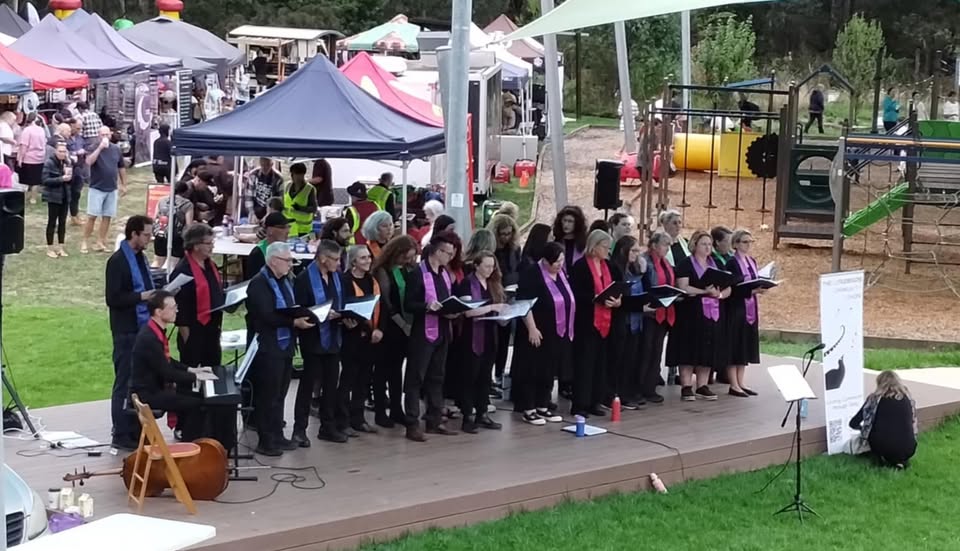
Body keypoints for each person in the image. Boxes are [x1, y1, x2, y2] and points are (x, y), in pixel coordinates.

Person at [245, 242, 315, 456]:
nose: (290, 265)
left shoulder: (284, 281)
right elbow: (266, 315)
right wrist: (294, 323)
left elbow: (288, 307)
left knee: (280, 393)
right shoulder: (259, 283)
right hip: (268, 347)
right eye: (287, 261)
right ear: (274, 260)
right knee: (268, 394)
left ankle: (277, 435)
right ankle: (265, 440)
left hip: (284, 346)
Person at [130, 291, 217, 440]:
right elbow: (167, 373)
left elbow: (167, 360)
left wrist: (192, 370)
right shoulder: (149, 338)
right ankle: (192, 446)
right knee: (198, 404)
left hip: (154, 388)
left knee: (194, 395)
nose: (176, 310)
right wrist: (197, 377)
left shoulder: (154, 331)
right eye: (172, 307)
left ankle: (189, 437)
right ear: (158, 312)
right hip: (149, 394)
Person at [403, 231, 460, 441]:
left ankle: (434, 419)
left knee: (437, 377)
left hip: (443, 330)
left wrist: (453, 309)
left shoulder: (444, 273)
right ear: (437, 252)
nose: (450, 257)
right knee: (415, 378)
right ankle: (412, 423)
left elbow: (447, 300)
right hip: (423, 332)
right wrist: (427, 306)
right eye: (448, 253)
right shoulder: (418, 273)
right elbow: (408, 304)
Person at [105, 215, 155, 449]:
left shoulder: (141, 258)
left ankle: (136, 429)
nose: (149, 238)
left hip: (142, 328)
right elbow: (112, 298)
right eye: (146, 234)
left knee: (139, 382)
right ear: (133, 234)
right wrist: (141, 297)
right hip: (126, 329)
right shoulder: (118, 261)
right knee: (124, 381)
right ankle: (121, 432)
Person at [293, 239, 347, 445]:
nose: (338, 263)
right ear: (322, 259)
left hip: (334, 338)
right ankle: (299, 429)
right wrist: (321, 314)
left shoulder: (338, 277)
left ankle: (328, 426)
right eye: (334, 259)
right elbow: (299, 309)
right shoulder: (304, 279)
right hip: (313, 338)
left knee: (331, 384)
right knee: (308, 385)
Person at [513, 242, 573, 425]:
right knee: (533, 369)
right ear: (545, 260)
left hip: (557, 331)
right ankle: (529, 408)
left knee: (549, 369)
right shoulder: (533, 273)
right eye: (556, 261)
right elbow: (524, 301)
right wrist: (531, 328)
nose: (559, 264)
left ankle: (543, 404)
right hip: (537, 330)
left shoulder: (561, 273)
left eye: (562, 260)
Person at [669, 230, 731, 401]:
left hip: (713, 313)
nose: (707, 247)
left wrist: (718, 295)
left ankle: (702, 385)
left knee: (708, 348)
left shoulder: (716, 263)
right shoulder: (686, 264)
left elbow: (729, 286)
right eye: (703, 244)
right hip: (691, 313)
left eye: (710, 244)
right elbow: (683, 286)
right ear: (694, 245)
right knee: (689, 348)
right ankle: (686, 386)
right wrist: (704, 291)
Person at [569, 230, 622, 417]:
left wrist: (617, 300)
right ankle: (580, 404)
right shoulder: (581, 266)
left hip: (607, 322)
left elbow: (619, 287)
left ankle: (595, 401)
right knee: (585, 363)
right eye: (605, 247)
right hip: (586, 321)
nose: (608, 251)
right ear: (594, 246)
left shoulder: (610, 266)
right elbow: (575, 293)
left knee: (601, 362)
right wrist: (596, 298)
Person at [453, 251, 507, 433]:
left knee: (485, 376)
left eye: (492, 266)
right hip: (471, 336)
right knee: (470, 376)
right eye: (486, 266)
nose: (490, 270)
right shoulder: (467, 283)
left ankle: (482, 413)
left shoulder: (493, 284)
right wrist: (492, 307)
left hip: (490, 335)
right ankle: (468, 415)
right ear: (476, 265)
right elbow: (467, 311)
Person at [371, 235, 418, 428]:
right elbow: (386, 302)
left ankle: (397, 409)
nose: (407, 261)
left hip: (405, 328)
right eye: (405, 257)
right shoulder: (382, 272)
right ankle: (380, 411)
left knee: (397, 371)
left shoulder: (408, 270)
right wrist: (402, 324)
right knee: (382, 370)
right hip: (389, 326)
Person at [339, 245, 382, 436]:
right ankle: (342, 420)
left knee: (363, 380)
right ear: (354, 261)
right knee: (348, 379)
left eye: (368, 257)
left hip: (370, 338)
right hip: (352, 337)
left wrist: (379, 329)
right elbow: (345, 307)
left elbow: (382, 306)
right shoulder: (344, 281)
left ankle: (359, 418)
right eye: (363, 258)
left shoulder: (372, 280)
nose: (368, 261)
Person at [610, 235, 654, 408]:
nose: (637, 254)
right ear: (623, 250)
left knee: (632, 359)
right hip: (621, 320)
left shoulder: (636, 269)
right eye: (634, 250)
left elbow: (645, 290)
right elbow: (618, 298)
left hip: (636, 321)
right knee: (619, 360)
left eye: (638, 250)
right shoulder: (616, 269)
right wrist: (639, 307)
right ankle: (617, 394)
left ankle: (629, 391)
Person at [849, 371, 918, 469]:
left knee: (876, 436)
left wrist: (862, 429)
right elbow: (913, 422)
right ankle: (899, 461)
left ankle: (883, 459)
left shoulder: (874, 399)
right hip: (909, 447)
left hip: (881, 445)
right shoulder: (908, 399)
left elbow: (853, 422)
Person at [725, 229, 764, 397]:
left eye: (750, 242)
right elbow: (732, 287)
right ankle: (733, 384)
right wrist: (752, 291)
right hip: (736, 307)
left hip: (750, 307)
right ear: (735, 244)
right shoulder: (732, 263)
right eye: (744, 242)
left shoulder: (751, 261)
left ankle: (741, 382)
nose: (748, 245)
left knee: (744, 344)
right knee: (734, 344)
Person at [639, 231, 675, 404]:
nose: (667, 248)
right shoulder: (644, 261)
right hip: (648, 312)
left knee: (656, 351)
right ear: (654, 245)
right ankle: (639, 387)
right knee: (645, 351)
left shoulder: (666, 262)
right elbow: (644, 285)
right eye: (664, 244)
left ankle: (650, 387)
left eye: (669, 245)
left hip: (663, 312)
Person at [488, 214, 521, 391]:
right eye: (502, 234)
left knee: (505, 338)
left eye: (509, 234)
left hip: (510, 294)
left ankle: (500, 373)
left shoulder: (514, 249)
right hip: (495, 295)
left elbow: (518, 268)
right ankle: (491, 375)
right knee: (494, 340)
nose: (505, 237)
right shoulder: (491, 251)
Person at [82, 126, 126, 254]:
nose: (105, 137)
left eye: (107, 134)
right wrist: (100, 148)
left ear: (110, 135)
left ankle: (100, 241)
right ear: (98, 135)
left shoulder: (116, 149)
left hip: (111, 188)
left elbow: (121, 167)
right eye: (102, 135)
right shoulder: (93, 147)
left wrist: (124, 184)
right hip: (97, 187)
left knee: (107, 216)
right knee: (92, 216)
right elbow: (89, 161)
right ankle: (85, 241)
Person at [41, 142, 73, 259]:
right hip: (53, 197)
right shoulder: (49, 163)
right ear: (55, 151)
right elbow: (45, 180)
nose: (62, 154)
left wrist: (69, 178)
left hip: (64, 196)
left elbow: (70, 180)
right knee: (52, 222)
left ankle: (61, 247)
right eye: (60, 151)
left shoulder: (67, 163)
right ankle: (50, 248)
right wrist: (61, 179)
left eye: (64, 151)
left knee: (63, 222)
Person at [152, 182, 194, 267]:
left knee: (157, 261)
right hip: (177, 237)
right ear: (185, 192)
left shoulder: (162, 200)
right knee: (173, 264)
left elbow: (155, 217)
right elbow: (189, 225)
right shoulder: (187, 204)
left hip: (161, 234)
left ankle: (152, 278)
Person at [246, 212, 292, 280]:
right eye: (282, 227)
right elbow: (253, 283)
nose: (287, 231)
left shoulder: (283, 251)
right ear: (270, 230)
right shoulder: (258, 253)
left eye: (288, 227)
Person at [18, 112, 46, 205]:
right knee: (36, 180)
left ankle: (24, 198)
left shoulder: (27, 130)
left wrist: (20, 159)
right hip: (40, 158)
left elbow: (24, 146)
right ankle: (33, 198)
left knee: (25, 180)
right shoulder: (42, 130)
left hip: (28, 158)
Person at [244, 157, 283, 223]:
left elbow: (279, 200)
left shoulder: (278, 178)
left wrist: (269, 214)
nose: (264, 168)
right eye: (262, 165)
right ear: (260, 164)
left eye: (267, 165)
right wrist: (252, 214)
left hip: (270, 213)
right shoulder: (253, 175)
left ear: (272, 164)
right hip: (255, 212)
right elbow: (248, 197)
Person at [284, 162, 317, 237]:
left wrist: (300, 208)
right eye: (291, 174)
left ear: (302, 175)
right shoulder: (287, 186)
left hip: (303, 229)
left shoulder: (309, 189)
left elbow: (314, 209)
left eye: (295, 174)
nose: (292, 176)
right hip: (289, 227)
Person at [552, 205, 587, 274]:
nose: (566, 224)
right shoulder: (555, 240)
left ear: (577, 223)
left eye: (570, 221)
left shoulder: (583, 242)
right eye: (564, 220)